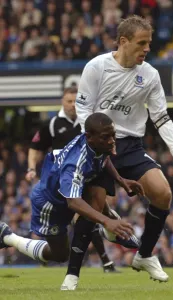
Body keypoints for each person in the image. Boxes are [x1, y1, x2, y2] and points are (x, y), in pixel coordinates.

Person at [62, 15, 173, 289]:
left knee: (163, 192)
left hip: (130, 146)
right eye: (141, 43)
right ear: (123, 42)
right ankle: (72, 275)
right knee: (93, 204)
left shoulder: (149, 74)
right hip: (99, 145)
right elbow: (84, 111)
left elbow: (161, 117)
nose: (147, 49)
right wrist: (91, 147)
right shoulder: (97, 67)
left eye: (148, 43)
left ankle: (144, 254)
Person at [0, 113, 144, 271]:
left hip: (71, 191)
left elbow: (104, 158)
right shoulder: (74, 163)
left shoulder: (97, 142)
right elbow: (73, 202)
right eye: (106, 137)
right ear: (89, 137)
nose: (111, 141)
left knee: (97, 201)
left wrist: (121, 180)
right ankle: (9, 237)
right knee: (60, 255)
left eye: (113, 135)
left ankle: (117, 235)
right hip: (51, 204)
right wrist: (106, 221)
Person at [25, 86, 123, 273]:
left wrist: (119, 178)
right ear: (62, 102)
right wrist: (31, 168)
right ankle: (102, 257)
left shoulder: (88, 123)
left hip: (84, 178)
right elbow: (35, 146)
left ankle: (105, 261)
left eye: (75, 101)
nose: (71, 105)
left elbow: (101, 153)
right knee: (81, 225)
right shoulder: (53, 124)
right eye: (68, 101)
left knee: (90, 215)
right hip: (62, 182)